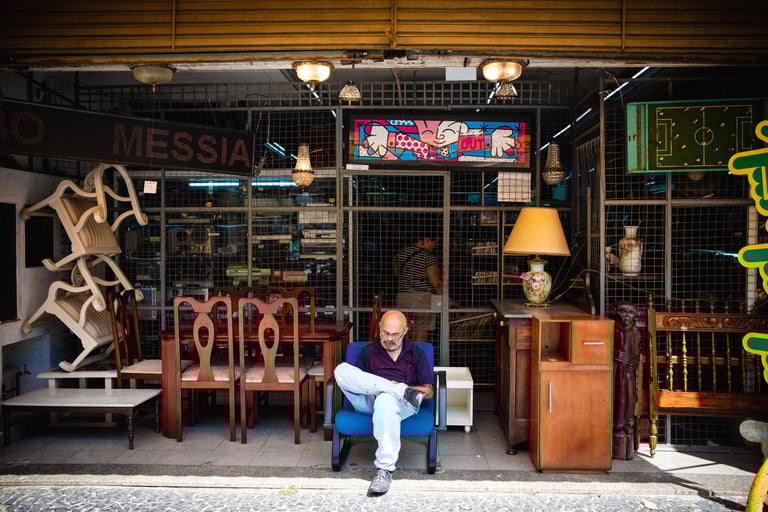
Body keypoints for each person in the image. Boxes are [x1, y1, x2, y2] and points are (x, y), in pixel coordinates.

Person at [333, 310, 434, 496]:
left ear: (405, 331)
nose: (389, 339)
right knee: (341, 370)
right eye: (385, 333)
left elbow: (429, 391)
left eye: (395, 334)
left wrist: (400, 392)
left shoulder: (415, 353)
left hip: (403, 404)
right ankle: (397, 389)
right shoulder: (369, 351)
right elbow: (358, 382)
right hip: (369, 400)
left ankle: (385, 469)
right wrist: (390, 387)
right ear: (379, 328)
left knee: (386, 399)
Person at [393, 232, 443, 339]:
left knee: (404, 330)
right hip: (422, 299)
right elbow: (435, 283)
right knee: (421, 330)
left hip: (402, 297)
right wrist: (445, 297)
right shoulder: (428, 257)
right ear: (425, 240)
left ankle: (405, 349)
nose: (434, 245)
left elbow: (396, 274)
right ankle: (419, 349)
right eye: (433, 241)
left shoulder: (400, 254)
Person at [613, 302, 641, 460]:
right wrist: (615, 353)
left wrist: (633, 362)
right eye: (623, 312)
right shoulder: (614, 328)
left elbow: (636, 353)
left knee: (629, 399)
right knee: (618, 398)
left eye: (631, 313)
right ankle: (617, 430)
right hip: (616, 371)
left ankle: (628, 430)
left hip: (629, 373)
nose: (627, 316)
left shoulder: (635, 331)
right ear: (616, 312)